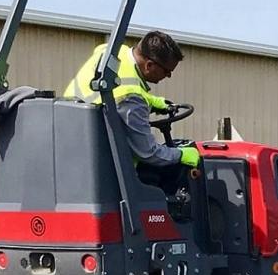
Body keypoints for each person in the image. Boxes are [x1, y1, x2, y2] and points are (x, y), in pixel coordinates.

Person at [62, 30, 199, 179]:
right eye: (167, 71)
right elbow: (148, 152)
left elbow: (115, 91)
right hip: (106, 173)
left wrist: (150, 100)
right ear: (149, 65)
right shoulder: (131, 97)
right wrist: (181, 154)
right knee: (157, 182)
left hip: (74, 145)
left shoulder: (113, 53)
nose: (169, 76)